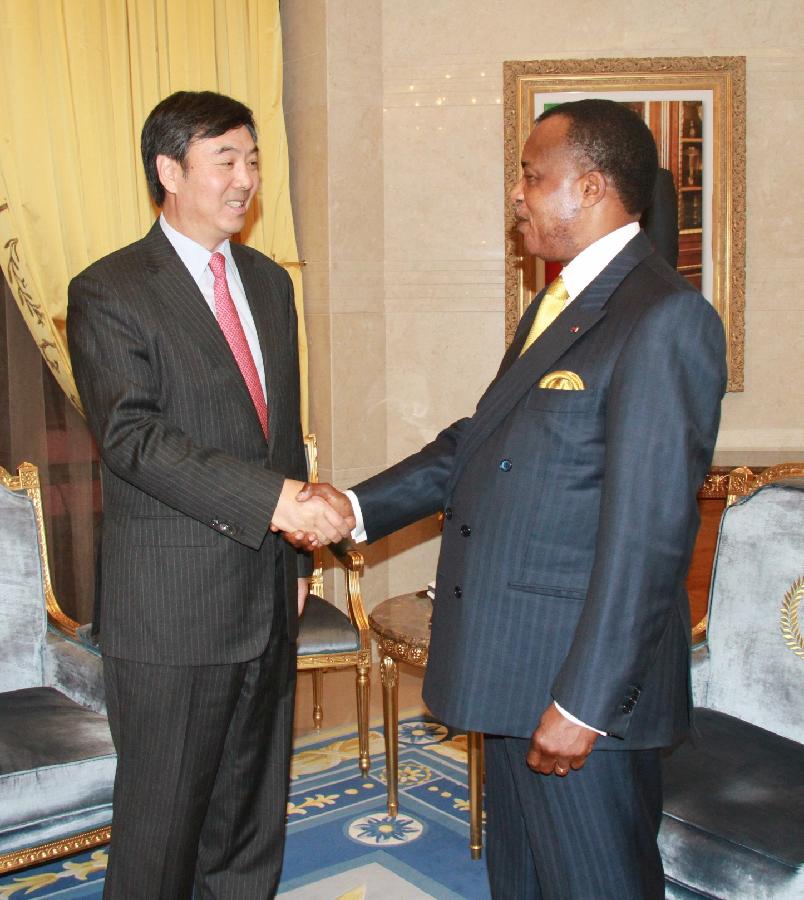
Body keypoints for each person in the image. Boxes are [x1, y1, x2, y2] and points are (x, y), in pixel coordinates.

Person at [295, 99, 727, 898]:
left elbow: (648, 540)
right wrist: (353, 507)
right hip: (518, 672)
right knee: (525, 884)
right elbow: (479, 443)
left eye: (532, 176)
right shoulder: (560, 305)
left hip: (576, 693)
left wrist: (586, 704)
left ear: (590, 187)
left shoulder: (664, 318)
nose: (517, 195)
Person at [67, 90, 354, 899]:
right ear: (169, 170)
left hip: (267, 590)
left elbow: (283, 430)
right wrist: (278, 502)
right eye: (225, 159)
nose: (245, 179)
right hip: (171, 608)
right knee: (161, 830)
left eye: (253, 159)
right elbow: (132, 437)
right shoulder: (110, 290)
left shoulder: (268, 282)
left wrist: (299, 565)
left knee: (250, 817)